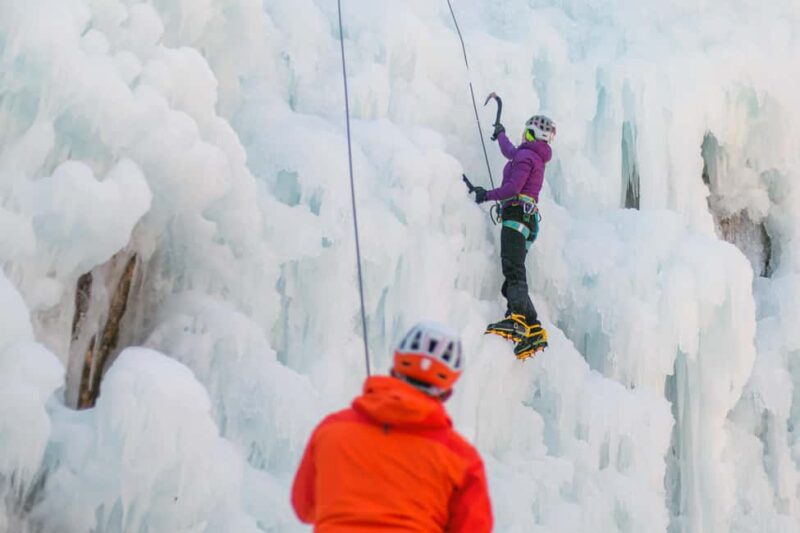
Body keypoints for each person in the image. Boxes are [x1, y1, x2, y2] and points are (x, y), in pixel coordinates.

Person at [291, 321, 493, 532]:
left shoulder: (332, 429)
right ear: (447, 391)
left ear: (395, 369)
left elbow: (304, 507)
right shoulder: (460, 458)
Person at [472, 114, 556, 359]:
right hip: (526, 220)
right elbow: (511, 151)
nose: (522, 136)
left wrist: (485, 195)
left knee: (513, 270)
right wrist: (500, 134)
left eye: (525, 132)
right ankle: (534, 329)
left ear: (531, 134)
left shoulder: (527, 157)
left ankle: (518, 320)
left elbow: (512, 189)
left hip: (516, 216)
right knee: (512, 276)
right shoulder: (531, 155)